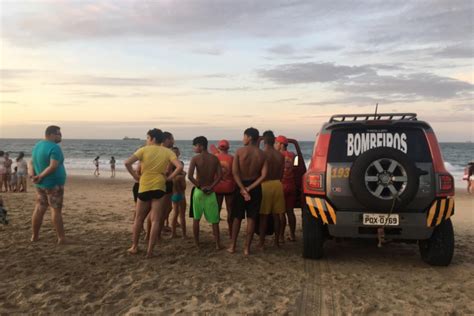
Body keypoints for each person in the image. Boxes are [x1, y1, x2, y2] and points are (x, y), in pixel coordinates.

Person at [124, 128, 182, 258]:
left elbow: (127, 162)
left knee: (139, 218)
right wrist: (169, 177)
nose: (147, 140)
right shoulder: (167, 152)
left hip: (144, 186)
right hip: (159, 186)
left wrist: (135, 176)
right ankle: (150, 251)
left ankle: (135, 246)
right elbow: (180, 167)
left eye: (147, 138)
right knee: (156, 220)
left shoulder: (144, 150)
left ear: (153, 138)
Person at [227, 128, 268, 256]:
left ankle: (233, 246)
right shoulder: (262, 154)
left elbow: (235, 173)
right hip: (255, 187)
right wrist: (250, 189)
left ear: (249, 137)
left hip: (241, 186)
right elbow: (264, 176)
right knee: (251, 218)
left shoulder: (239, 151)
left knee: (237, 218)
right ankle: (246, 248)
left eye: (244, 136)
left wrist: (243, 189)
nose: (243, 138)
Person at [29, 125, 67, 244]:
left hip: (40, 185)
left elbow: (30, 163)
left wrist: (32, 176)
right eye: (58, 134)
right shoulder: (54, 147)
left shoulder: (37, 146)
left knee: (39, 208)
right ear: (50, 134)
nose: (60, 136)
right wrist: (39, 176)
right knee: (56, 210)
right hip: (53, 185)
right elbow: (53, 166)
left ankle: (34, 236)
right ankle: (61, 238)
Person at [188, 136, 223, 249]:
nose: (194, 148)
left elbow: (190, 176)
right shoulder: (215, 158)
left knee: (196, 219)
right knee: (215, 220)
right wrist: (211, 187)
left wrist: (199, 186)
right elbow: (220, 176)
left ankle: (197, 243)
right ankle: (217, 244)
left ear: (201, 146)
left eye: (195, 146)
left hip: (199, 191)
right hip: (211, 192)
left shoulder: (195, 159)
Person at [258, 131, 285, 249]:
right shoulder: (280, 155)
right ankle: (276, 242)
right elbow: (281, 174)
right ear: (274, 140)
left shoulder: (262, 154)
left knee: (264, 216)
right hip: (277, 184)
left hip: (265, 184)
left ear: (264, 140)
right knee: (276, 216)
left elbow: (259, 172)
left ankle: (261, 242)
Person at [275, 135, 297, 242]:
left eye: (276, 143)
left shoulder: (278, 155)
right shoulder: (293, 155)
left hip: (281, 185)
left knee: (281, 213)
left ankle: (281, 236)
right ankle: (292, 235)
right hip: (292, 185)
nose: (275, 145)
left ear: (281, 144)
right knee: (290, 212)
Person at [213, 140, 236, 238]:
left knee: (216, 211)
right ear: (228, 148)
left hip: (217, 187)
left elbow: (211, 173)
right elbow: (235, 173)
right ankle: (231, 233)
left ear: (219, 147)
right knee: (230, 211)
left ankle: (216, 233)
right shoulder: (232, 158)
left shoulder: (215, 158)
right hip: (229, 188)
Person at [171, 147, 187, 239]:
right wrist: (184, 176)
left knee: (175, 214)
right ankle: (184, 235)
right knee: (182, 215)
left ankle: (173, 233)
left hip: (173, 194)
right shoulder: (180, 176)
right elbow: (184, 187)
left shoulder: (170, 168)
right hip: (181, 195)